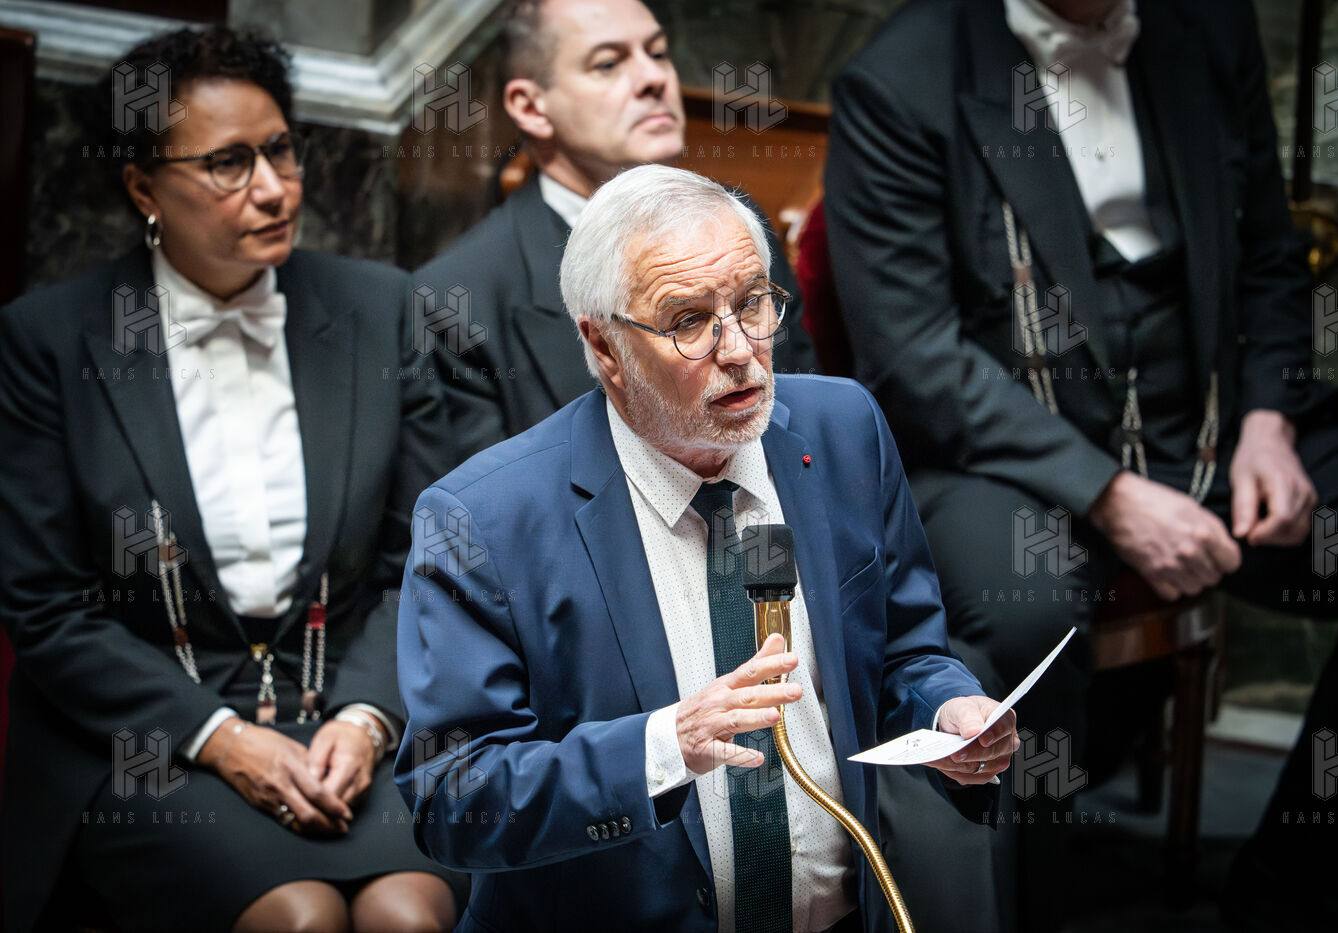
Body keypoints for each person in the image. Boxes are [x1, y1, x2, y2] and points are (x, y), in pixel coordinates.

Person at [824, 0, 1338, 929]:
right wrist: (1108, 493)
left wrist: (1269, 420)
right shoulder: (899, 77)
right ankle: (1032, 906)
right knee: (1022, 611)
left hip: (1211, 420)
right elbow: (915, 355)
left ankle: (1293, 896)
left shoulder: (1209, 26)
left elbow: (1269, 252)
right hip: (1010, 451)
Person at [395, 164, 1017, 932]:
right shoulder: (484, 520)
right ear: (604, 345)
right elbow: (452, 798)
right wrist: (665, 745)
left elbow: (903, 650)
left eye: (752, 301)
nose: (741, 350)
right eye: (689, 320)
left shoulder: (843, 430)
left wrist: (946, 705)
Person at [0, 27, 463, 933]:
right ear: (144, 188)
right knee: (300, 918)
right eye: (227, 163)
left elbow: (428, 557)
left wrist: (368, 715)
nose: (274, 187)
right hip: (151, 737)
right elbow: (48, 607)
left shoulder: (380, 310)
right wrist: (220, 737)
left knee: (408, 913)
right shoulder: (48, 340)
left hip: (352, 714)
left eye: (281, 149)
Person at [414, 0, 817, 466]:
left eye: (658, 52)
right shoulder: (456, 298)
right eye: (608, 63)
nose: (654, 78)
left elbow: (803, 427)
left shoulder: (735, 225)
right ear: (531, 106)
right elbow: (489, 500)